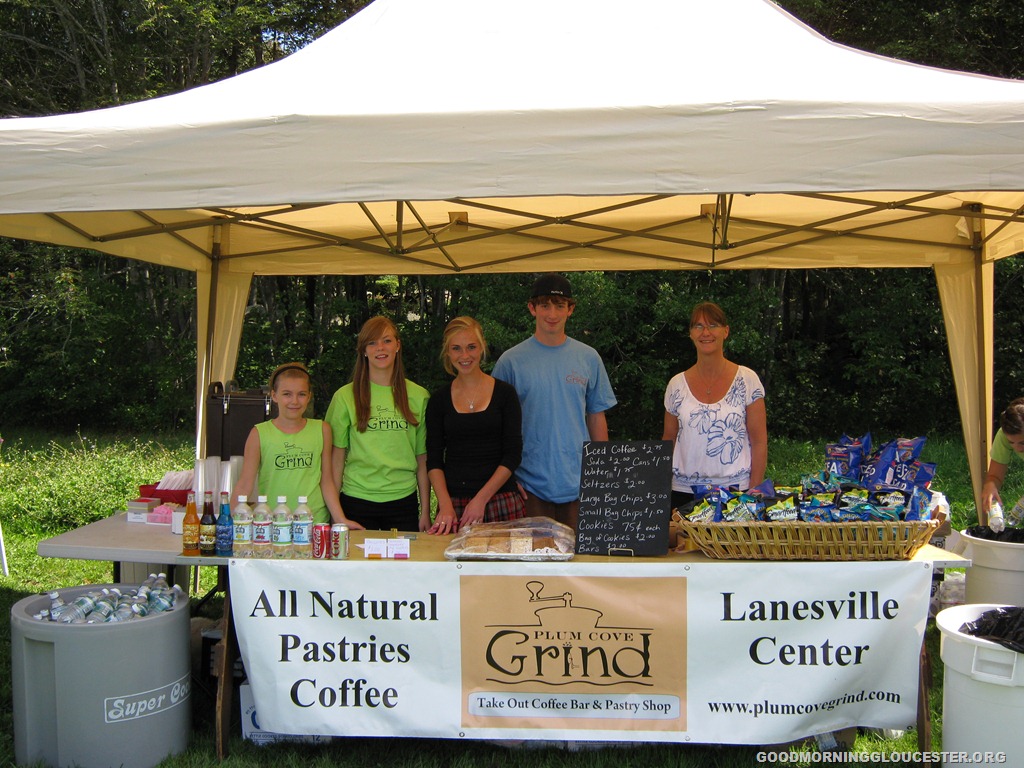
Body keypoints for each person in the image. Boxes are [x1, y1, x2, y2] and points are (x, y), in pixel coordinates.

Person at [492, 273, 617, 529]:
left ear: (570, 309)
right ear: (532, 308)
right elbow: (495, 425)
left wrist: (602, 473)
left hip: (580, 482)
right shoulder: (510, 361)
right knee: (533, 555)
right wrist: (506, 477)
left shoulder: (589, 358)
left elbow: (596, 417)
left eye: (559, 306)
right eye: (544, 305)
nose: (552, 314)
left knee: (580, 554)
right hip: (527, 486)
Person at [325, 316, 430, 531]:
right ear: (363, 350)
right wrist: (336, 514)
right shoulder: (344, 397)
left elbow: (422, 459)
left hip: (403, 501)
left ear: (398, 345)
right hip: (356, 500)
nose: (380, 348)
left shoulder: (419, 396)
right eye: (372, 343)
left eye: (387, 341)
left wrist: (426, 511)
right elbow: (335, 461)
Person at [662, 302, 767, 510]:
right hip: (683, 494)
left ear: (726, 331)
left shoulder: (748, 380)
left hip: (736, 493)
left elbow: (759, 441)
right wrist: (660, 487)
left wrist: (754, 490)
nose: (706, 332)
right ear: (691, 333)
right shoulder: (676, 385)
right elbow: (668, 440)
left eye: (713, 325)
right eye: (698, 326)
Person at [426, 316, 526, 534]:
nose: (465, 356)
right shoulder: (438, 400)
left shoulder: (505, 394)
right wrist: (445, 505)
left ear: (482, 347)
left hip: (500, 500)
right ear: (447, 352)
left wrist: (480, 500)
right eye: (456, 348)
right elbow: (434, 460)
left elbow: (512, 454)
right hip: (454, 507)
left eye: (471, 347)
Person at [232, 362, 361, 528]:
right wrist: (230, 521)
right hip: (274, 524)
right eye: (287, 394)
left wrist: (340, 519)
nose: (294, 401)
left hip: (314, 522)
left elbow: (327, 481)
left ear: (309, 396)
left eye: (301, 394)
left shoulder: (322, 429)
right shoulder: (259, 433)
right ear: (274, 395)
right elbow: (244, 484)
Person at [981, 397, 1024, 522]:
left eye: (1023, 443)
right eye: (1011, 442)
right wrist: (991, 486)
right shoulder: (1003, 436)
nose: (1018, 448)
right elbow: (995, 475)